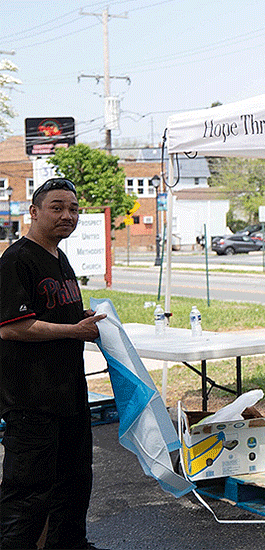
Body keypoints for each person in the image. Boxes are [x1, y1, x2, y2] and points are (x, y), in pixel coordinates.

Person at [0, 177, 107, 550]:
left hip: (70, 394)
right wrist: (74, 330)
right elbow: (13, 327)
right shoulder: (17, 260)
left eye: (74, 209)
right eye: (57, 207)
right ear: (34, 211)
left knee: (74, 483)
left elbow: (55, 312)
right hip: (32, 401)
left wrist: (81, 319)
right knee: (28, 496)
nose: (67, 216)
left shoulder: (60, 259)